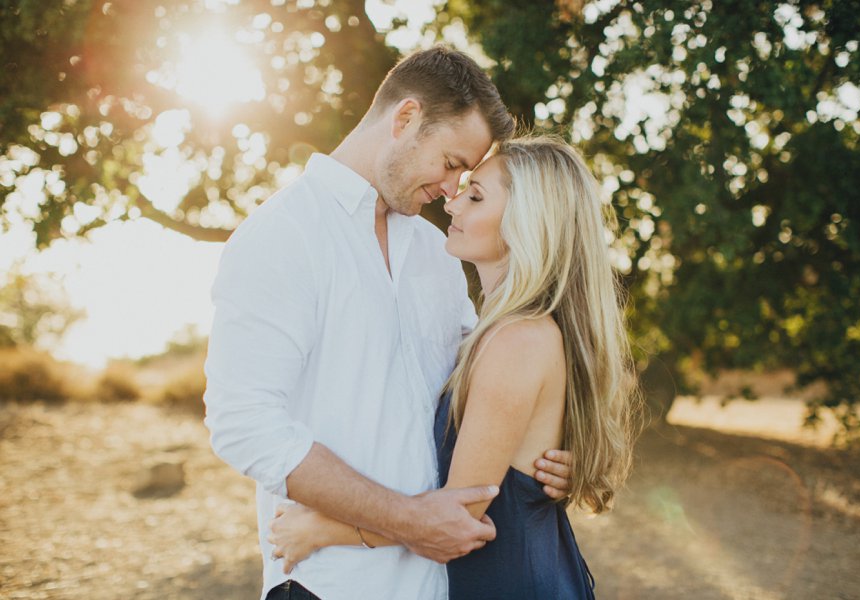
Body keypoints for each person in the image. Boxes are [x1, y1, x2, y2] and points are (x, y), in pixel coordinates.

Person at [203, 47, 573, 600]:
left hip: (438, 583)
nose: (452, 190)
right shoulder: (282, 235)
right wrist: (406, 519)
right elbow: (243, 424)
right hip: (330, 584)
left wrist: (537, 464)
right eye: (450, 164)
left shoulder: (435, 249)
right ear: (405, 119)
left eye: (466, 177)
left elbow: (480, 383)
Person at [268, 136, 640, 599]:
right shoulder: (499, 331)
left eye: (477, 195)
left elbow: (462, 516)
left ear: (529, 223)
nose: (452, 204)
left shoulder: (517, 340)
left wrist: (324, 529)